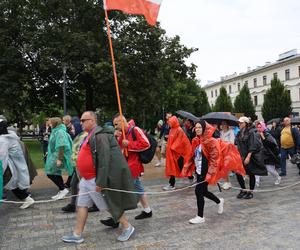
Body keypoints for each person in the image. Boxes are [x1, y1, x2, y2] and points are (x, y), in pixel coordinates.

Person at [62, 111, 138, 243]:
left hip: (94, 179)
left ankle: (127, 227)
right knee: (82, 205)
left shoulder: (99, 135)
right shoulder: (90, 135)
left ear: (92, 120)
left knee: (108, 205)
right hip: (87, 179)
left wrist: (100, 181)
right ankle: (77, 234)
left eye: (83, 120)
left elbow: (104, 160)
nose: (81, 122)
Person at [183, 120, 245, 224]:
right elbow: (194, 156)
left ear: (204, 128)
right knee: (204, 191)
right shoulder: (196, 140)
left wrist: (210, 174)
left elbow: (214, 159)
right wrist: (189, 168)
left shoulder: (211, 141)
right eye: (196, 127)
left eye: (199, 127)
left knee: (198, 192)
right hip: (199, 170)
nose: (197, 129)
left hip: (206, 171)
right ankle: (219, 201)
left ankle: (200, 216)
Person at [111, 114, 153, 221]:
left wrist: (129, 144)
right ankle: (147, 210)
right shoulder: (121, 133)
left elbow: (146, 144)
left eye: (116, 124)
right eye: (114, 124)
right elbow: (119, 148)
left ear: (122, 121)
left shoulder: (135, 130)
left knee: (123, 190)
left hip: (133, 166)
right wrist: (116, 137)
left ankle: (116, 217)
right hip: (126, 165)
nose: (115, 126)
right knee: (138, 189)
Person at [0, 115, 35, 209]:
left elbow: (2, 157)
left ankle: (27, 199)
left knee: (11, 184)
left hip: (10, 166)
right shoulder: (9, 136)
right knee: (12, 185)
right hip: (15, 164)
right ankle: (27, 199)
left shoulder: (3, 140)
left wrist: (1, 171)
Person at [235, 117, 267, 199]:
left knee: (250, 173)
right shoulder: (239, 133)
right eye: (239, 123)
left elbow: (253, 145)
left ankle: (250, 191)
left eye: (241, 123)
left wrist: (248, 157)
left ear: (245, 123)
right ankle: (243, 189)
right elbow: (236, 144)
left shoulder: (251, 132)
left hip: (249, 156)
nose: (239, 124)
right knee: (238, 173)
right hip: (240, 156)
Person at [45, 117, 73, 200]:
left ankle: (63, 189)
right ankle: (62, 189)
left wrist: (59, 159)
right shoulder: (56, 131)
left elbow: (61, 146)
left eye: (51, 123)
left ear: (55, 123)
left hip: (56, 156)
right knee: (55, 173)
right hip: (53, 155)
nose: (49, 124)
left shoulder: (60, 132)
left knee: (50, 173)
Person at [163, 116, 194, 191]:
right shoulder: (172, 130)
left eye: (170, 122)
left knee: (182, 167)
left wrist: (172, 147)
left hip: (179, 153)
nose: (169, 124)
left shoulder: (179, 130)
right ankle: (172, 184)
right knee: (173, 168)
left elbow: (180, 141)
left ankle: (191, 178)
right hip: (173, 153)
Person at [220, 121, 235, 190]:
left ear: (227, 125)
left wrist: (225, 144)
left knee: (226, 168)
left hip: (229, 152)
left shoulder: (231, 132)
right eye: (222, 124)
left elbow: (232, 142)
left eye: (224, 124)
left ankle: (228, 182)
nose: (223, 125)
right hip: (222, 152)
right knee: (224, 168)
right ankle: (227, 182)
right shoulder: (221, 132)